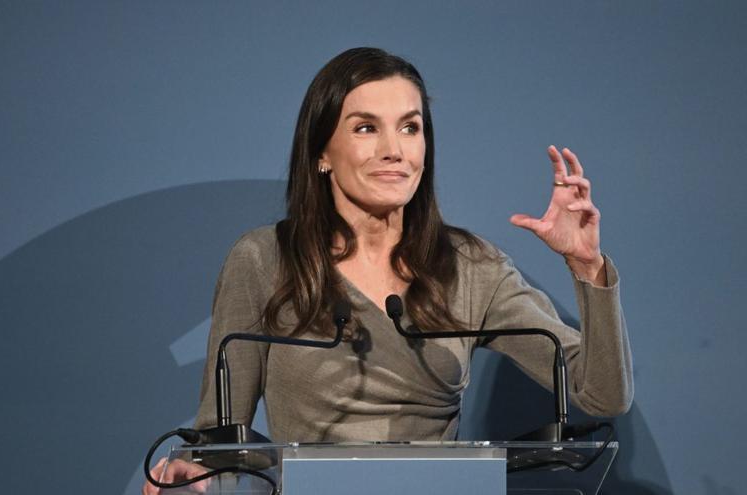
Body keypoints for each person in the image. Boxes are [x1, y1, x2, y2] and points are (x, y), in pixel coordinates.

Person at [143, 47, 632, 493]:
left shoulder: (470, 266)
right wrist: (192, 475)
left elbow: (603, 394)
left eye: (409, 127)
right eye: (365, 127)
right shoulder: (264, 259)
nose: (394, 150)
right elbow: (220, 436)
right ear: (321, 153)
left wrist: (587, 266)